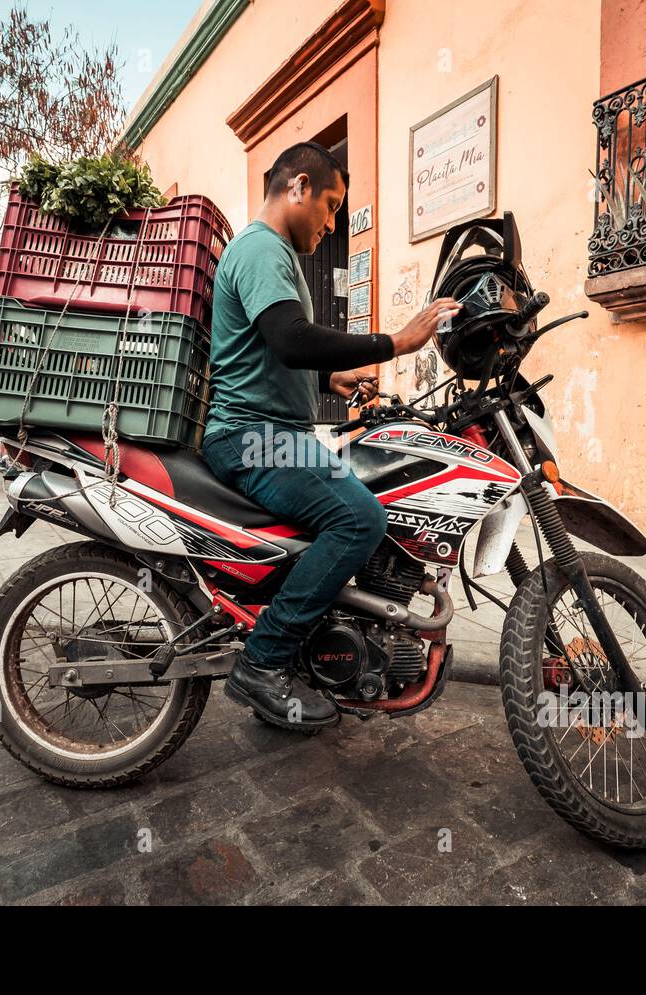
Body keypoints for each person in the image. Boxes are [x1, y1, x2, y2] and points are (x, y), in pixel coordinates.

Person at [202, 141, 460, 731]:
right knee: (360, 520)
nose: (333, 222)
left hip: (269, 432)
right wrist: (395, 342)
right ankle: (263, 661)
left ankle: (304, 651)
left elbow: (267, 348)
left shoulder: (266, 252)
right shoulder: (263, 249)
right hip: (253, 437)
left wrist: (329, 375)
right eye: (331, 204)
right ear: (296, 188)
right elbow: (292, 338)